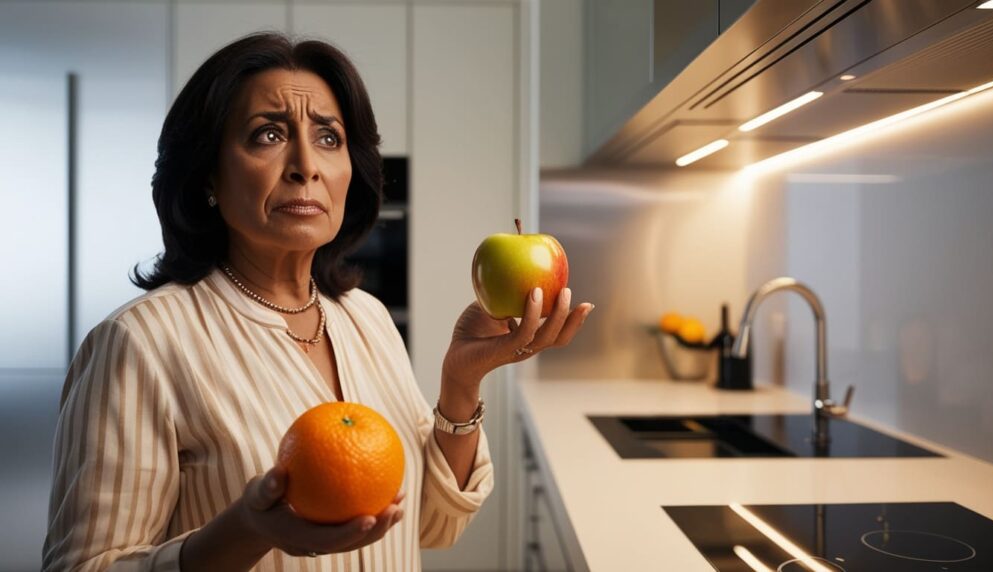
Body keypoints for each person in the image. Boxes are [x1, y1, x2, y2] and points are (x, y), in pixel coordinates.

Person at [41, 32, 593, 571]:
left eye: (329, 138)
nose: (306, 164)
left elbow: (428, 525)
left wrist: (460, 385)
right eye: (267, 135)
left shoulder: (365, 317)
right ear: (208, 173)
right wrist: (247, 529)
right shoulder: (141, 343)